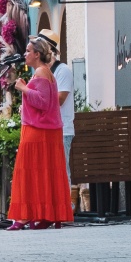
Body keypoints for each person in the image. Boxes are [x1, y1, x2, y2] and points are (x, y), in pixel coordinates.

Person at [7, 35, 74, 229]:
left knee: (30, 172)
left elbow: (43, 102)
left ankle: (25, 217)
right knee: (44, 173)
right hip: (46, 130)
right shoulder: (45, 72)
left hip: (38, 131)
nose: (25, 54)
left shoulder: (42, 72)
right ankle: (46, 215)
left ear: (37, 54)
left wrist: (24, 89)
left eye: (28, 51)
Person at [37, 29, 76, 184]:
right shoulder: (45, 71)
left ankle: (66, 206)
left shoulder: (62, 70)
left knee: (60, 172)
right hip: (49, 128)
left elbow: (59, 99)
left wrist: (36, 101)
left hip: (62, 130)